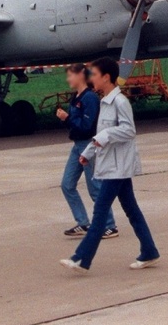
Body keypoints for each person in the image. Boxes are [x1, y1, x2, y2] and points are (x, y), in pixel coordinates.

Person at [60, 57, 159, 274]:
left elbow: (128, 131)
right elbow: (99, 135)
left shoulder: (120, 102)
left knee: (100, 212)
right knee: (132, 210)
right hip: (113, 165)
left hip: (118, 167)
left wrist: (104, 136)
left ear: (106, 77)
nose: (91, 78)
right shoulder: (104, 102)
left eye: (94, 74)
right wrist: (87, 153)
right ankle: (149, 251)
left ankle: (81, 258)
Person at [55, 63, 117, 239]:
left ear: (81, 75)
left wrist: (67, 119)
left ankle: (110, 225)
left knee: (95, 188)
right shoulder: (76, 97)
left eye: (70, 75)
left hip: (89, 145)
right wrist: (66, 120)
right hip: (77, 146)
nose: (68, 79)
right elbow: (76, 125)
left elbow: (87, 127)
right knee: (67, 184)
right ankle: (83, 222)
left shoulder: (89, 98)